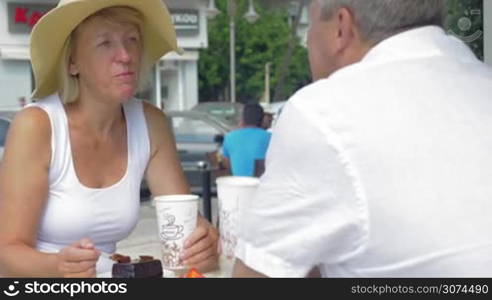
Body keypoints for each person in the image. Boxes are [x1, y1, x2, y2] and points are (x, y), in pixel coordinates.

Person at [233, 0, 492, 277]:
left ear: (341, 27)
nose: (307, 42)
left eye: (310, 25)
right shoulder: (481, 82)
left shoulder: (324, 111)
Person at [0, 0, 218, 277]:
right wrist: (58, 266)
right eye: (105, 43)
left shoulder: (152, 122)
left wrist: (204, 245)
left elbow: (187, 232)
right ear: (72, 62)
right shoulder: (37, 125)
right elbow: (6, 254)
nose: (125, 55)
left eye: (132, 40)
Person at [221, 103, 271, 177]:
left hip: (239, 184)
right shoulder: (270, 138)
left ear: (243, 119)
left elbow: (227, 162)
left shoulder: (230, 137)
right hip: (262, 184)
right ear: (262, 119)